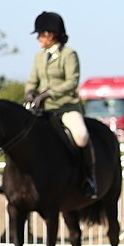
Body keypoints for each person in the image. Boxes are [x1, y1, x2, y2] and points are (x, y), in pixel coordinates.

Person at [26, 11, 96, 198]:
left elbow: (72, 82)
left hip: (66, 107)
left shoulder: (69, 54)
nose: (38, 38)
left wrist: (48, 93)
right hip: (43, 109)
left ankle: (89, 177)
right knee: (19, 132)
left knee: (81, 136)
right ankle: (12, 179)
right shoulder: (39, 57)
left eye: (40, 34)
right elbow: (32, 80)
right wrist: (30, 91)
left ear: (51, 34)